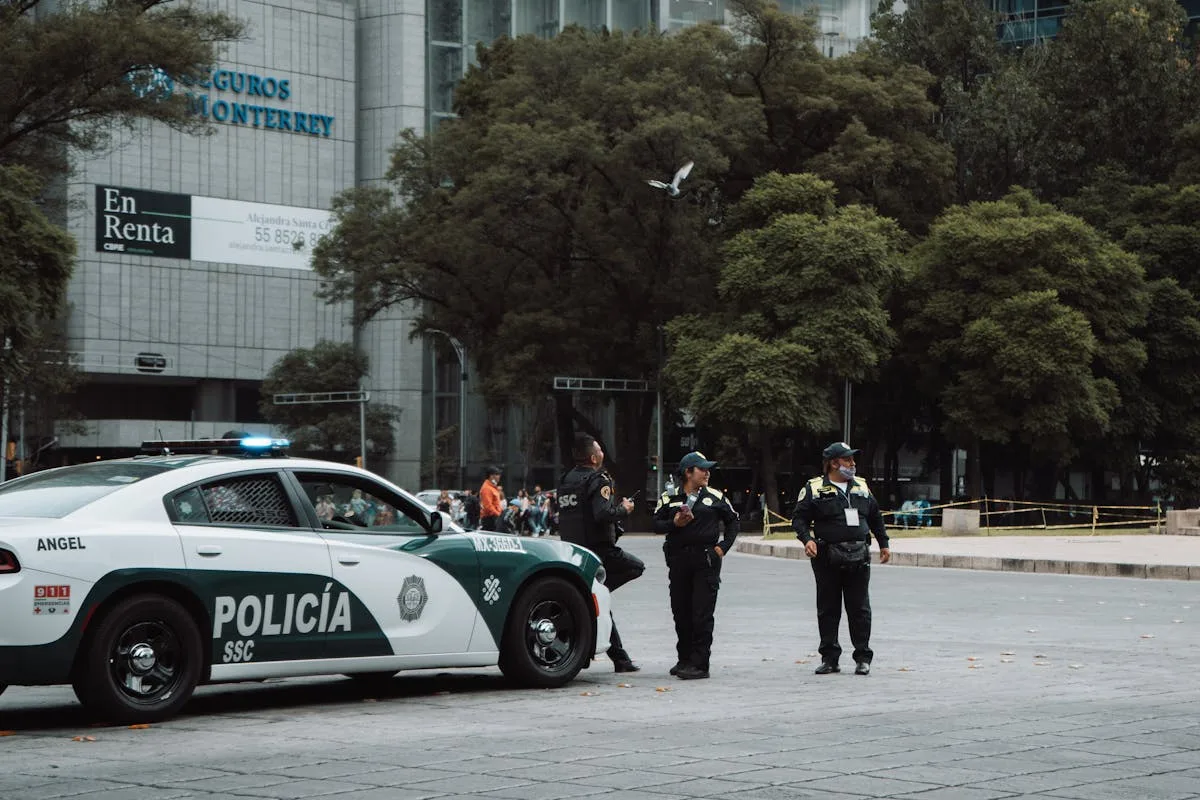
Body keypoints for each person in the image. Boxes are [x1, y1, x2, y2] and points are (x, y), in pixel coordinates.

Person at [791, 442, 891, 676]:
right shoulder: (814, 488)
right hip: (827, 557)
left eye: (853, 460)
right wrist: (807, 540)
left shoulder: (862, 486)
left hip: (859, 555)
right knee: (828, 608)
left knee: (860, 608)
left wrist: (883, 543)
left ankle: (863, 657)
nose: (853, 464)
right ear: (833, 463)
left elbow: (875, 516)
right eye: (847, 460)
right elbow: (799, 519)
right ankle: (830, 658)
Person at [557, 433, 644, 672]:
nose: (603, 454)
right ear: (594, 457)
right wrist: (624, 509)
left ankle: (621, 660)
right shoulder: (599, 479)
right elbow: (602, 514)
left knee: (599, 600)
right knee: (636, 567)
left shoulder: (566, 480)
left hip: (573, 551)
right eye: (600, 451)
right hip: (599, 552)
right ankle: (595, 596)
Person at [653, 451, 740, 680]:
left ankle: (700, 664)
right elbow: (655, 523)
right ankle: (684, 658)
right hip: (679, 560)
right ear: (688, 472)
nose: (707, 473)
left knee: (701, 613)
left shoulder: (715, 496)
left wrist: (722, 547)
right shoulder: (669, 497)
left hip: (706, 561)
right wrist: (674, 522)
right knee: (681, 611)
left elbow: (733, 523)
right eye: (702, 469)